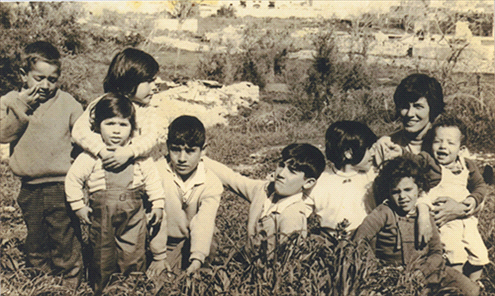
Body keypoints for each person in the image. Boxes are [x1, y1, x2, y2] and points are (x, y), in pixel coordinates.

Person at [0, 41, 84, 286]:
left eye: (53, 79)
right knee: (36, 238)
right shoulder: (10, 102)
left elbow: (83, 136)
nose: (46, 85)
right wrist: (22, 106)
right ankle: (42, 282)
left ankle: (70, 283)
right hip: (29, 187)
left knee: (64, 237)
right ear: (23, 75)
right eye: (39, 78)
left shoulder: (68, 103)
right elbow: (4, 135)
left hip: (61, 185)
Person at [65, 93, 164, 294]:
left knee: (134, 251)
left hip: (133, 214)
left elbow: (153, 180)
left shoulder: (138, 156)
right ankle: (104, 288)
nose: (117, 131)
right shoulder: (91, 156)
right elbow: (73, 180)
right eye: (110, 124)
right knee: (102, 252)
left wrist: (158, 203)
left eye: (123, 125)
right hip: (102, 216)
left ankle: (131, 287)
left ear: (132, 128)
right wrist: (78, 206)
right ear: (98, 126)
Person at [375, 73, 479, 245]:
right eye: (404, 106)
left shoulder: (449, 145)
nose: (410, 114)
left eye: (418, 106)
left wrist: (460, 208)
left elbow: (475, 190)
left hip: (454, 232)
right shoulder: (388, 145)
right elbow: (377, 196)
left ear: (432, 109)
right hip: (404, 235)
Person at [353, 157, 480, 296]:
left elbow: (436, 251)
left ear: (419, 189)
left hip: (428, 272)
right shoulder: (383, 213)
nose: (403, 196)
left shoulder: (424, 215)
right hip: (395, 276)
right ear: (388, 192)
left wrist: (423, 271)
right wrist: (377, 269)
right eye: (396, 192)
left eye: (408, 189)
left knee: (471, 291)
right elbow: (359, 240)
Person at [403, 115, 488, 281]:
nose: (443, 147)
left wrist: (472, 200)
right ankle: (455, 285)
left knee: (479, 254)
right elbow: (412, 165)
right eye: (438, 141)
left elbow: (480, 186)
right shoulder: (430, 163)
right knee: (454, 255)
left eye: (450, 143)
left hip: (467, 219)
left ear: (461, 149)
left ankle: (474, 285)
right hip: (446, 223)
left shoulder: (468, 165)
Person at [204, 143, 325, 255]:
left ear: (308, 183)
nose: (281, 174)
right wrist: (200, 157)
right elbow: (232, 179)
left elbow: (287, 263)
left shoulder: (292, 216)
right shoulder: (264, 190)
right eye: (281, 166)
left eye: (292, 172)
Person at [148, 115, 223, 276]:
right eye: (176, 150)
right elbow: (154, 218)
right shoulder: (155, 173)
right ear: (167, 147)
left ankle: (200, 268)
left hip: (194, 239)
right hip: (161, 241)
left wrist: (197, 257)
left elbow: (204, 221)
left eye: (190, 151)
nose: (182, 158)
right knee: (159, 283)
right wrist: (158, 257)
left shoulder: (211, 182)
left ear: (203, 150)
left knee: (199, 273)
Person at [72, 47, 164, 171]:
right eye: (148, 81)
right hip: (98, 170)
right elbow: (79, 130)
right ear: (130, 80)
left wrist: (129, 152)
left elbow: (151, 137)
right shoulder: (104, 103)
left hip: (132, 173)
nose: (154, 87)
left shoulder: (147, 111)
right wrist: (102, 151)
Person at [305, 121, 378, 234]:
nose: (373, 153)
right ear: (348, 153)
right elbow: (300, 208)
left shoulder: (373, 176)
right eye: (368, 149)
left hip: (367, 238)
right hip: (330, 241)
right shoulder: (321, 180)